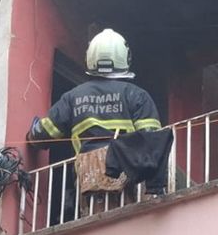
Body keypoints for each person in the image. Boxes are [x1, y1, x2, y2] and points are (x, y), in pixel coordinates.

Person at [29, 29, 164, 212]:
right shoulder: (137, 96)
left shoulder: (72, 98)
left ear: (90, 58)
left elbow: (42, 135)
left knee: (96, 221)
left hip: (90, 186)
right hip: (129, 185)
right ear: (125, 58)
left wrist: (32, 133)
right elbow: (152, 140)